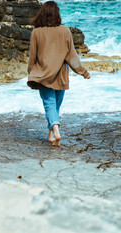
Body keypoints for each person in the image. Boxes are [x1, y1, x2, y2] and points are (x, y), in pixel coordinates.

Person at [27, 1, 90, 147]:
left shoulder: (37, 32)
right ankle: (51, 133)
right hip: (61, 73)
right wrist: (82, 71)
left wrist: (31, 73)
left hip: (43, 73)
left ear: (42, 13)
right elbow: (71, 56)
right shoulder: (65, 30)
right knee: (55, 105)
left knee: (49, 104)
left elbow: (32, 56)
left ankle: (56, 130)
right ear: (57, 14)